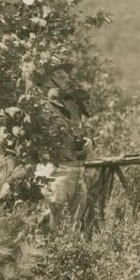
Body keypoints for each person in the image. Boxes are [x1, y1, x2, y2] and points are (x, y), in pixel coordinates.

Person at [38, 79, 94, 231]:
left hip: (77, 171)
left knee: (73, 225)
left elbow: (82, 131)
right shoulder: (41, 108)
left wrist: (89, 140)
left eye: (65, 77)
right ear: (49, 83)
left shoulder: (72, 106)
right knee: (51, 221)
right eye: (59, 77)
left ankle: (66, 253)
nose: (65, 81)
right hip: (57, 170)